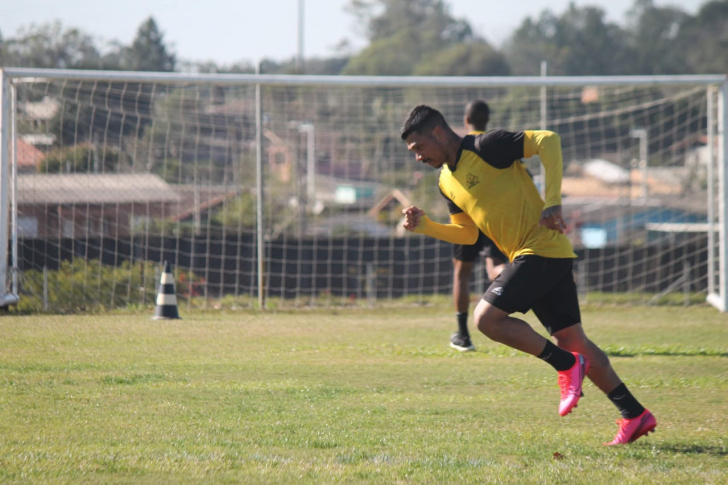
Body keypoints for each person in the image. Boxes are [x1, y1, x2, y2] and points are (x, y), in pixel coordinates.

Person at [399, 105, 656, 445]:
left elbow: (548, 141)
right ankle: (634, 414)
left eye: (419, 148)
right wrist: (427, 226)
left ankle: (566, 365)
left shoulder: (486, 146)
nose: (418, 157)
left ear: (438, 133)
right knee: (575, 341)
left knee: (487, 319)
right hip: (546, 256)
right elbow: (468, 233)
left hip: (541, 251)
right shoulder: (446, 181)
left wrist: (553, 202)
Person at [449, 100, 507, 353]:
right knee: (496, 267)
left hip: (467, 217)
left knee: (462, 273)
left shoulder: (458, 149)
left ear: (466, 120)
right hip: (494, 215)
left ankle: (463, 335)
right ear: (487, 120)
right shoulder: (495, 145)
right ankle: (517, 287)